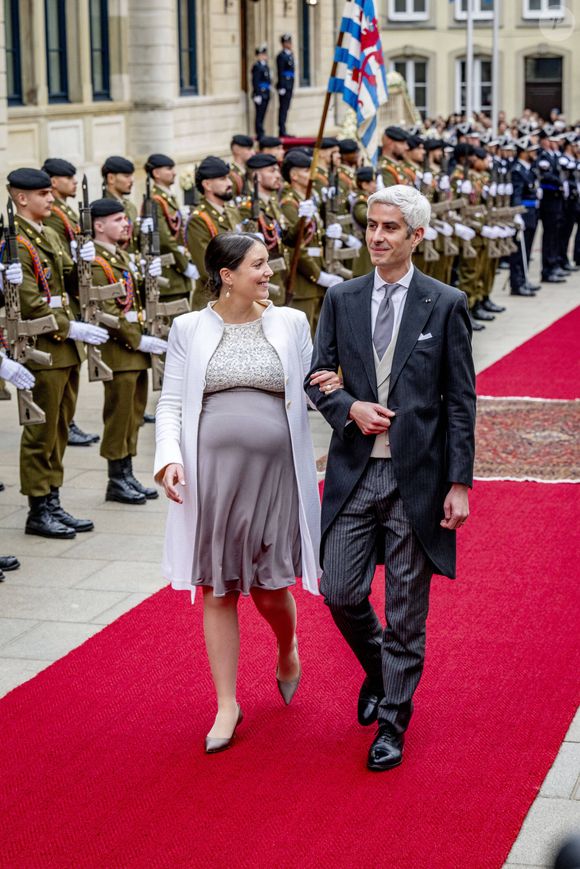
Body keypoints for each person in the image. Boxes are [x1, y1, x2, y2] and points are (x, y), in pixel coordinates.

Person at [305, 184, 476, 772]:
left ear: (416, 236)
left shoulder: (445, 303)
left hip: (417, 479)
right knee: (339, 591)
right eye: (371, 226)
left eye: (390, 228)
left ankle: (392, 724)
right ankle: (380, 671)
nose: (376, 237)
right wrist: (348, 407)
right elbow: (318, 375)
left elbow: (460, 401)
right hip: (354, 473)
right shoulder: (342, 298)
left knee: (406, 610)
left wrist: (459, 483)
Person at [154, 233, 336, 754]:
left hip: (276, 474)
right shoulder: (189, 328)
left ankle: (287, 647)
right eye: (258, 264)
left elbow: (316, 389)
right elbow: (171, 402)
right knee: (218, 588)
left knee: (270, 589)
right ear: (227, 275)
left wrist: (352, 415)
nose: (268, 271)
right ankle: (226, 704)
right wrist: (168, 457)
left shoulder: (290, 322)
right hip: (212, 477)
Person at [5, 168, 107, 538]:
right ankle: (38, 509)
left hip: (64, 350)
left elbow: (67, 281)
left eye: (50, 193)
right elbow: (30, 302)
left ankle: (52, 498)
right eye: (43, 194)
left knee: (60, 428)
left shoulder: (46, 233)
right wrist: (70, 327)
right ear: (22, 199)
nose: (51, 199)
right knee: (41, 432)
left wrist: (84, 260)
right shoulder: (14, 242)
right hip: (42, 349)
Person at [90, 197, 165, 504]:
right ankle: (116, 478)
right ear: (99, 225)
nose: (126, 224)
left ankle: (127, 473)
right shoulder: (96, 262)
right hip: (118, 352)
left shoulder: (119, 255)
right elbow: (108, 311)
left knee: (133, 415)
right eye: (118, 220)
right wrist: (138, 340)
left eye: (125, 218)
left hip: (133, 351)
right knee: (119, 417)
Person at [42, 157, 101, 447]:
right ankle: (66, 422)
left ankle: (67, 421)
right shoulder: (54, 215)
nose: (74, 181)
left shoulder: (63, 211)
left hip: (70, 293)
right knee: (63, 368)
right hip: (61, 296)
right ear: (54, 181)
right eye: (68, 177)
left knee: (72, 365)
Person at [185, 156, 242, 311]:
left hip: (238, 297)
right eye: (223, 179)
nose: (229, 183)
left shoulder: (231, 211)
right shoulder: (199, 219)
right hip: (214, 302)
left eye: (228, 178)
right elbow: (207, 268)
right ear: (207, 185)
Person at [144, 153, 198, 304]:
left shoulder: (168, 197)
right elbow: (164, 238)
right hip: (170, 275)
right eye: (169, 169)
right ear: (156, 173)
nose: (174, 173)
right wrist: (185, 266)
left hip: (179, 275)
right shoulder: (155, 200)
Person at [101, 155, 139, 253]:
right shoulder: (103, 209)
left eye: (131, 176)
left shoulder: (130, 206)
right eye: (126, 176)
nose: (131, 180)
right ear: (111, 178)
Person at [276, 33, 295, 137]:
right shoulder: (281, 56)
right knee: (283, 108)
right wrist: (281, 86)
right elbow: (280, 72)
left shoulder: (290, 55)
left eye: (289, 42)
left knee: (286, 107)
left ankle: (284, 129)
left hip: (289, 85)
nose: (289, 44)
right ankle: (281, 130)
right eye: (286, 42)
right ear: (283, 44)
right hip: (284, 86)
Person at [251, 44, 271, 140]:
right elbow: (255, 81)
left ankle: (262, 131)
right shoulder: (257, 66)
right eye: (261, 55)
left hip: (266, 93)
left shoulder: (265, 66)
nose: (263, 56)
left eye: (264, 54)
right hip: (260, 93)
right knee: (259, 114)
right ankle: (259, 133)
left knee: (263, 113)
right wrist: (257, 94)